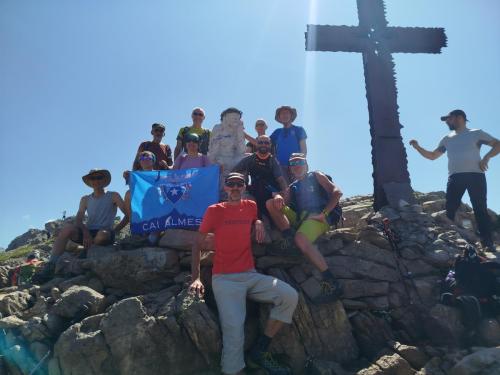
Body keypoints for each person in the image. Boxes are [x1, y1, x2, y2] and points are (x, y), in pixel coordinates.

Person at [189, 172, 298, 375]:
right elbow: (197, 243)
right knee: (234, 332)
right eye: (232, 184)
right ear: (226, 187)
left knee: (289, 296)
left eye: (240, 184)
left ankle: (261, 349)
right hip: (224, 279)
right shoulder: (214, 211)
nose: (236, 188)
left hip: (250, 274)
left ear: (244, 187)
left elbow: (257, 215)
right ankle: (233, 371)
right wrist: (195, 278)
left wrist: (257, 222)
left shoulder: (250, 206)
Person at [409, 109, 500, 252]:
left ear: (459, 118)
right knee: (450, 207)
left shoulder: (476, 133)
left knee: (480, 209)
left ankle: (487, 242)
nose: (447, 122)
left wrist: (486, 157)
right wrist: (417, 147)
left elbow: (497, 144)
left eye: (448, 119)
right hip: (455, 176)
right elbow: (433, 156)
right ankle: (450, 239)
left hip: (475, 175)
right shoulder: (447, 138)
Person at [266, 153, 343, 304]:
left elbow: (337, 192)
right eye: (293, 164)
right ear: (290, 169)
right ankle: (289, 239)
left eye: (300, 162)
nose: (297, 166)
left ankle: (332, 283)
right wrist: (277, 197)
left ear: (306, 164)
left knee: (301, 238)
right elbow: (282, 203)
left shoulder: (315, 175)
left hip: (318, 217)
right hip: (302, 218)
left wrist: (324, 214)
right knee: (270, 203)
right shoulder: (292, 186)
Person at [39, 169, 128, 279]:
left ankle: (86, 250)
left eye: (99, 177)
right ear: (90, 182)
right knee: (67, 229)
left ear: (104, 179)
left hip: (105, 232)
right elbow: (78, 220)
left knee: (103, 234)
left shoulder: (113, 195)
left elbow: (128, 215)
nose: (96, 181)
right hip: (88, 232)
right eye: (93, 178)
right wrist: (86, 233)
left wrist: (115, 230)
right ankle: (51, 264)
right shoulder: (85, 199)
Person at [232, 135, 287, 218]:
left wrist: (285, 194)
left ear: (270, 145)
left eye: (266, 143)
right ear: (256, 144)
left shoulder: (273, 160)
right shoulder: (250, 159)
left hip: (271, 193)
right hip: (255, 191)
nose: (263, 145)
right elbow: (234, 171)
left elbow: (280, 180)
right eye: (260, 142)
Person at [270, 106, 307, 182]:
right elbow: (265, 143)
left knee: (298, 188)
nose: (284, 115)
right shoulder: (277, 132)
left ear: (291, 116)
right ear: (279, 117)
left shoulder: (299, 129)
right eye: (282, 114)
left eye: (287, 113)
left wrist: (301, 163)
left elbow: (304, 149)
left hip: (296, 165)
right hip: (281, 167)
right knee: (285, 190)